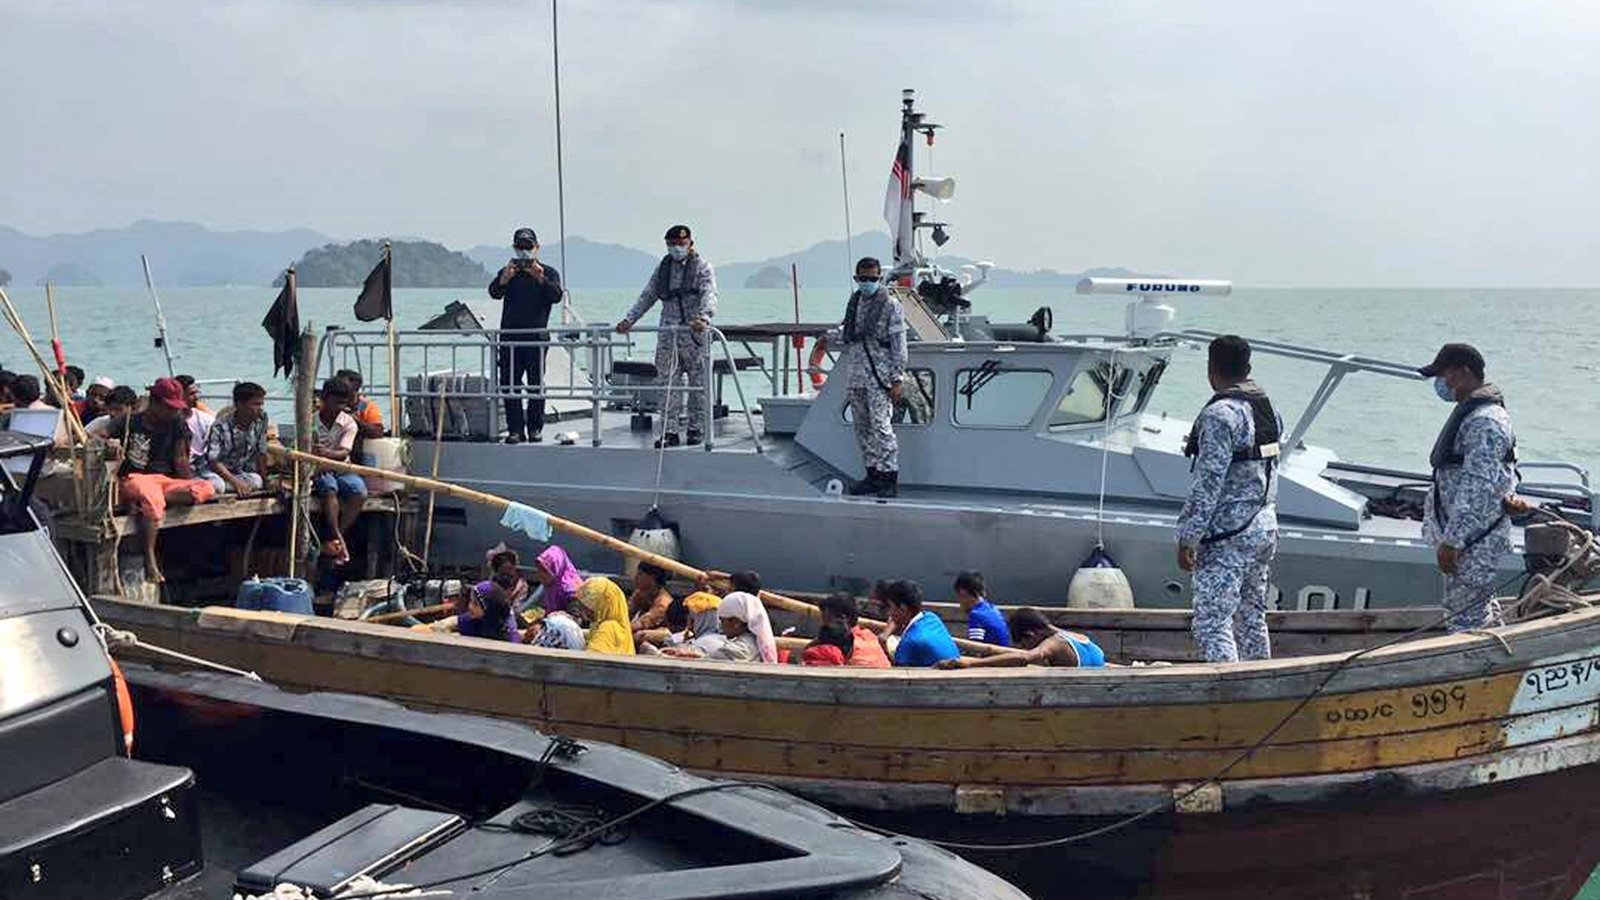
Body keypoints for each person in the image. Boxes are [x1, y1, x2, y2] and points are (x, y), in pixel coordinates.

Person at [1176, 335, 1281, 664]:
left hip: (1228, 535)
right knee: (1252, 618)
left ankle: (1229, 687)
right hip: (1263, 526)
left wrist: (1188, 537)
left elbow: (1208, 482)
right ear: (1247, 368)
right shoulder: (1267, 409)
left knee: (1212, 624)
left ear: (1211, 370)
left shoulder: (1220, 415)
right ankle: (1261, 682)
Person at [1419, 343, 1525, 632]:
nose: (1441, 383)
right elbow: (1502, 471)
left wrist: (1453, 540)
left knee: (1465, 619)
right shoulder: (1474, 414)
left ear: (1464, 372)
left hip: (1473, 540)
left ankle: (1474, 658)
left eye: (1444, 375)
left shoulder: (1485, 421)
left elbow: (1478, 484)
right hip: (1470, 535)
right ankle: (1496, 642)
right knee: (1477, 608)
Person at [102, 377, 217, 582]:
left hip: (164, 481)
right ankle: (150, 558)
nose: (173, 412)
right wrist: (109, 444)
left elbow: (181, 459)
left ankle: (154, 502)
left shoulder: (177, 423)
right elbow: (97, 436)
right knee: (150, 494)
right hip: (135, 478)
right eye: (169, 407)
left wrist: (187, 485)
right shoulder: (129, 421)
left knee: (206, 487)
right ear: (154, 402)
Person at [615, 224, 718, 448]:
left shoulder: (702, 268)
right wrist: (629, 320)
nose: (676, 248)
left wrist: (704, 318)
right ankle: (669, 431)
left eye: (681, 243)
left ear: (690, 243)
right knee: (667, 384)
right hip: (668, 335)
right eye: (672, 244)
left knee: (699, 384)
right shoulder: (663, 270)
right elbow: (647, 296)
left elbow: (709, 294)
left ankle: (696, 428)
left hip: (694, 335)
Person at [827, 257, 908, 498]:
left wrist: (897, 379)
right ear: (856, 278)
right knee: (862, 428)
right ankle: (872, 475)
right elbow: (846, 331)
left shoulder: (891, 306)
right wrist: (827, 337)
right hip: (856, 375)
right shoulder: (855, 303)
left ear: (879, 278)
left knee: (882, 427)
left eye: (872, 278)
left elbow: (899, 344)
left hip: (879, 377)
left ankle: (889, 477)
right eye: (863, 278)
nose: (867, 282)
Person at [489, 227, 563, 445]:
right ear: (514, 248)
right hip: (509, 338)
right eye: (520, 247)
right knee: (509, 384)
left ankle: (535, 428)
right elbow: (494, 292)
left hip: (536, 337)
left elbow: (556, 296)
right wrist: (504, 278)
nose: (524, 251)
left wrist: (540, 278)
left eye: (528, 247)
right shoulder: (508, 271)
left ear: (537, 247)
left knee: (535, 384)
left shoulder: (548, 272)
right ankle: (515, 430)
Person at [310, 377, 366, 566]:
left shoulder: (348, 423)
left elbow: (343, 453)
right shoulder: (310, 421)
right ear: (324, 399)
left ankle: (336, 535)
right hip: (319, 468)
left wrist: (325, 453)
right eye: (337, 402)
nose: (340, 407)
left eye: (344, 403)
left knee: (359, 491)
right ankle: (337, 537)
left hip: (342, 468)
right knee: (329, 488)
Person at [937, 608, 1107, 669]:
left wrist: (971, 663)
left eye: (1025, 644)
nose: (1027, 648)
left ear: (1031, 635)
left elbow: (1025, 658)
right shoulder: (1082, 638)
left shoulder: (1054, 644)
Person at [662, 592, 776, 663]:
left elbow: (712, 663)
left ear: (736, 622)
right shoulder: (750, 642)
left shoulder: (738, 650)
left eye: (722, 620)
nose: (720, 625)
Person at [200, 381, 270, 496]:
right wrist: (235, 483)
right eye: (255, 404)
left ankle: (235, 486)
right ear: (240, 404)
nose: (260, 409)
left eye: (261, 404)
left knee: (258, 481)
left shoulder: (261, 419)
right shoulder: (220, 426)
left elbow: (261, 450)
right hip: (217, 472)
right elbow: (214, 461)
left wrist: (265, 479)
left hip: (238, 471)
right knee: (218, 486)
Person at [882, 580, 959, 667]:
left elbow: (896, 669)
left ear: (903, 608)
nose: (889, 613)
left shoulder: (909, 643)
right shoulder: (932, 617)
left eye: (891, 607)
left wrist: (883, 643)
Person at [817, 592, 891, 668]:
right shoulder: (869, 635)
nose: (823, 623)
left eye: (825, 618)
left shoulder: (841, 639)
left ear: (841, 619)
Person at [571, 577, 636, 655]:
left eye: (588, 605)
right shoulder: (604, 625)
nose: (583, 611)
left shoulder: (608, 628)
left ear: (603, 604)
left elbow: (591, 659)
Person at [335, 370, 385, 461]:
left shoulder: (366, 406)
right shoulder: (331, 404)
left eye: (343, 385)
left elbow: (378, 432)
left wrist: (355, 421)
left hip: (358, 454)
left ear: (355, 387)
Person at [953, 571, 1011, 646]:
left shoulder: (976, 615)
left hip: (994, 653)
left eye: (959, 596)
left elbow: (975, 647)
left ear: (963, 593)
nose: (959, 601)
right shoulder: (991, 608)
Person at [174, 375, 216, 468]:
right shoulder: (170, 421)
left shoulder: (206, 420)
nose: (196, 397)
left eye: (197, 392)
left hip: (201, 465)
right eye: (191, 394)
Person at [532, 545, 583, 614]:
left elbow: (575, 617)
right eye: (538, 569)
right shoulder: (552, 585)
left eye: (545, 571)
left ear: (556, 569)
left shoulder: (571, 592)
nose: (540, 574)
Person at [628, 561, 674, 636]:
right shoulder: (640, 593)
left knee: (639, 636)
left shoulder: (663, 602)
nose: (635, 577)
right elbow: (627, 612)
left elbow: (640, 624)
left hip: (663, 638)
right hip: (641, 631)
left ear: (652, 578)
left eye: (640, 574)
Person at [484, 544, 532, 608]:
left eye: (510, 574)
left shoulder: (521, 586)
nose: (507, 577)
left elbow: (517, 608)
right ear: (496, 572)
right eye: (503, 574)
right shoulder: (491, 585)